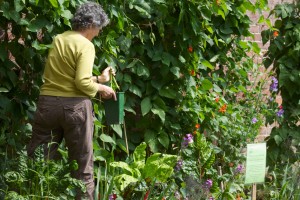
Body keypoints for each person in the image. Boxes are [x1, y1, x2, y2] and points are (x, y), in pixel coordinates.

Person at [27, 2, 116, 199]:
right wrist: (102, 88)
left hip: (47, 105)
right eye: (99, 28)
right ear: (91, 24)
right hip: (75, 108)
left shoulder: (60, 39)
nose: (99, 33)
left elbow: (66, 78)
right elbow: (81, 83)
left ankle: (35, 195)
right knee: (82, 166)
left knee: (40, 163)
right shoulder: (86, 45)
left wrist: (99, 79)